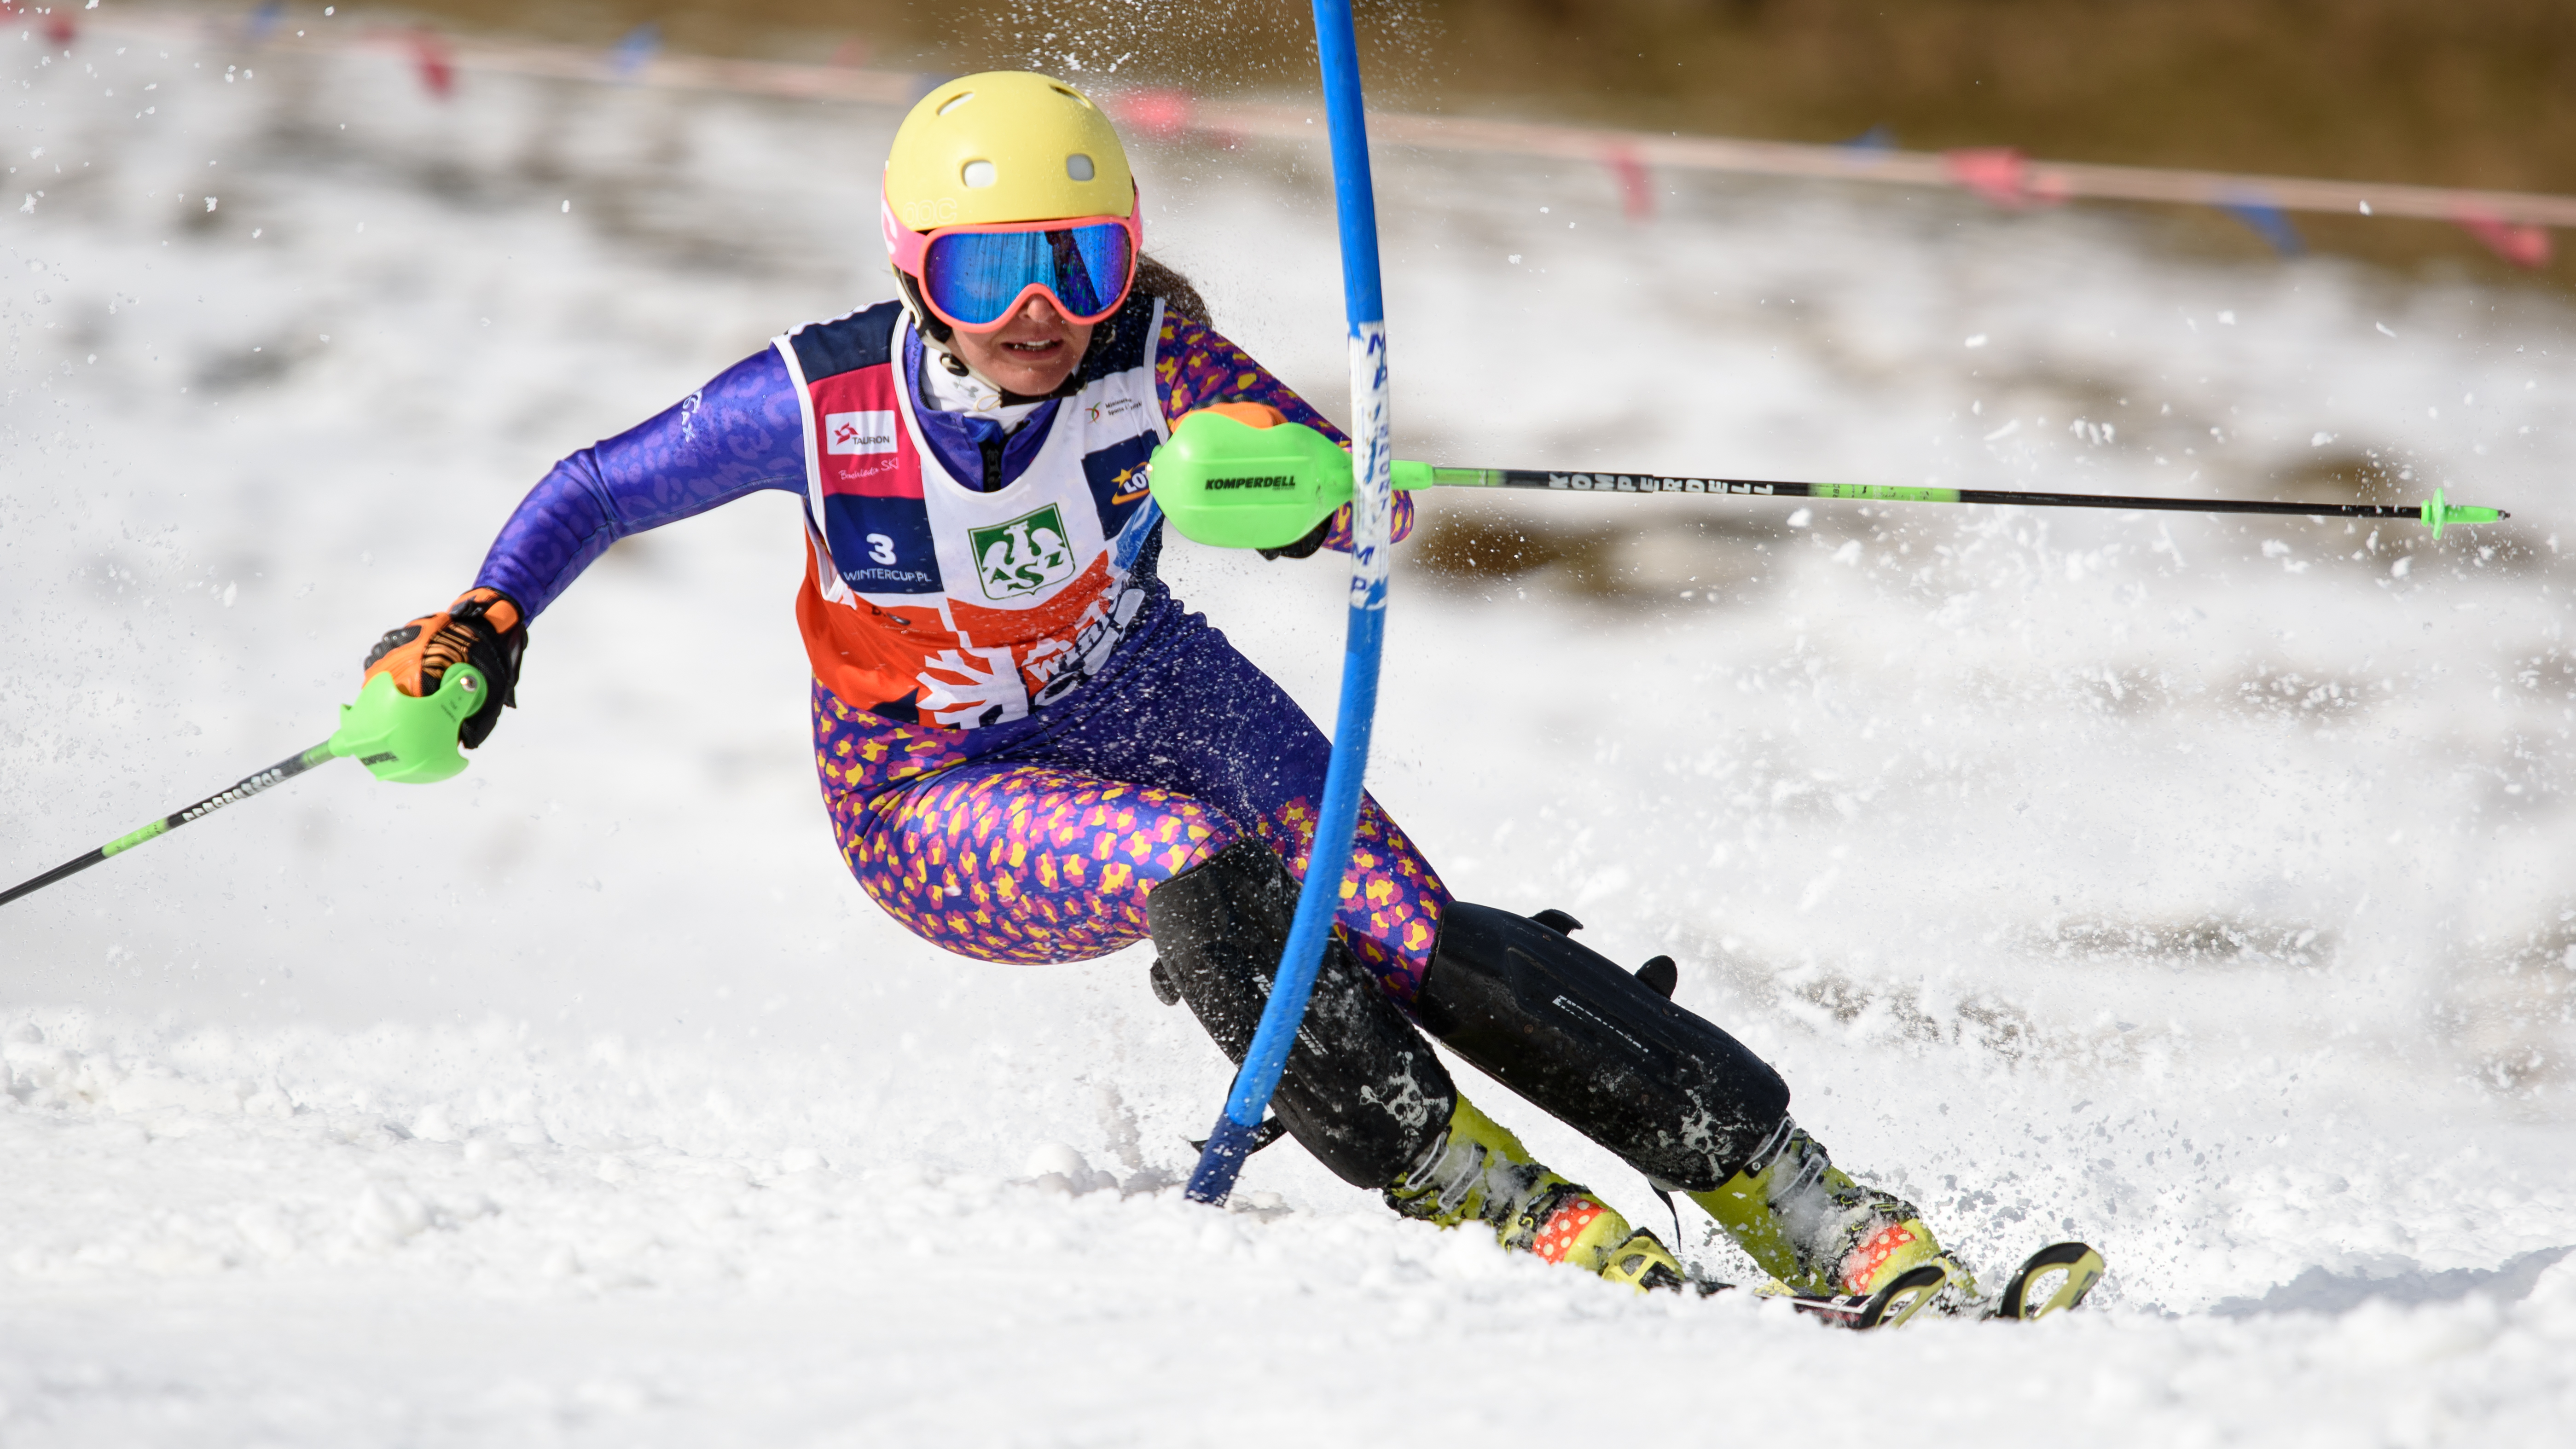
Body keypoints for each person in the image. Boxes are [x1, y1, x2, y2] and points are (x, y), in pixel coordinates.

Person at [360, 70, 2031, 1323]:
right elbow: (596, 482)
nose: (1042, 308)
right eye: (999, 261)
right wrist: (488, 616)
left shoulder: (1150, 363)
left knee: (1394, 913)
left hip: (1146, 681)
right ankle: (1467, 1182)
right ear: (914, 265)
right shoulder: (818, 399)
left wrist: (1313, 494)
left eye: (1081, 259)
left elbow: (1333, 486)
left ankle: (1788, 1189)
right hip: (924, 783)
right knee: (1204, 870)